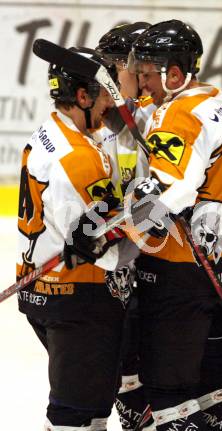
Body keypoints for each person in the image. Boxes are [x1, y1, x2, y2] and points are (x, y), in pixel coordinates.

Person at [125, 19, 222, 431]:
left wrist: (113, 227)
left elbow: (167, 192)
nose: (142, 83)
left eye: (147, 74)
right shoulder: (212, 98)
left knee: (168, 389)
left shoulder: (178, 114)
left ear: (174, 74)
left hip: (183, 270)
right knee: (218, 378)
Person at [17, 47, 139, 430]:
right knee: (75, 414)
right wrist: (154, 214)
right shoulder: (78, 160)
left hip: (41, 288)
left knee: (88, 407)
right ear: (83, 97)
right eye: (105, 94)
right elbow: (108, 256)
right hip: (78, 298)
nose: (111, 103)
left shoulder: (53, 131)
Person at [96, 22, 156, 431]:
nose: (109, 78)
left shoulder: (163, 114)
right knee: (126, 368)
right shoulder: (107, 121)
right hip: (125, 261)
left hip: (164, 260)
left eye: (115, 66)